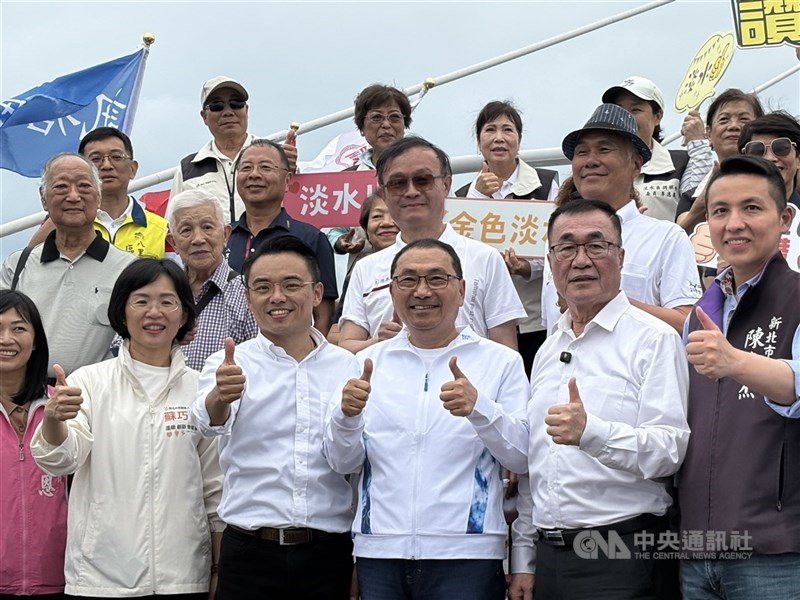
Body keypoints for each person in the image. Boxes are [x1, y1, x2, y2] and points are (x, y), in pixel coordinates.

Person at [325, 238, 529, 600]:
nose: (422, 291)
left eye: (437, 279)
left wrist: (479, 408)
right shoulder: (365, 363)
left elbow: (522, 457)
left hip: (467, 553)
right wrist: (347, 417)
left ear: (462, 290)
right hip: (380, 550)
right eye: (408, 280)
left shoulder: (501, 362)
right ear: (392, 290)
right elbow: (343, 462)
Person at [509, 199, 690, 600]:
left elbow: (669, 450)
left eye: (596, 245)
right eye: (566, 247)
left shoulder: (653, 339)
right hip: (550, 554)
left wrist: (592, 433)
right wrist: (524, 555)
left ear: (621, 256)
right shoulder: (546, 347)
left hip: (622, 550)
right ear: (551, 259)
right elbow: (535, 461)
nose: (581, 260)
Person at [30, 259, 224, 598]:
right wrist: (53, 420)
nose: (154, 312)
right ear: (121, 311)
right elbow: (62, 459)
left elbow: (214, 489)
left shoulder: (200, 390)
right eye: (141, 300)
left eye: (167, 301)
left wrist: (218, 570)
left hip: (182, 576)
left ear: (183, 314)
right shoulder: (89, 382)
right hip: (100, 577)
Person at [191, 236, 356, 600]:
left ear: (316, 293)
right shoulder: (228, 363)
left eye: (291, 285)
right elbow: (207, 421)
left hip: (328, 553)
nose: (276, 297)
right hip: (250, 551)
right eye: (263, 288)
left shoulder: (348, 367)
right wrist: (221, 394)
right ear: (249, 299)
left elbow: (353, 461)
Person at [680, 156, 800, 599]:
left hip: (775, 549)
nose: (734, 224)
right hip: (697, 545)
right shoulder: (702, 310)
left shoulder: (797, 297)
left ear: (784, 218)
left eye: (752, 208)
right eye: (719, 211)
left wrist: (736, 362)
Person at [338, 136, 526, 353]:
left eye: (423, 180)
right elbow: (347, 348)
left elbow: (506, 350)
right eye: (398, 183)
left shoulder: (485, 258)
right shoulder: (365, 268)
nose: (411, 191)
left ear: (445, 184)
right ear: (385, 192)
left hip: (468, 384)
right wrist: (376, 343)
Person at [541, 104, 702, 334]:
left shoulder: (666, 238)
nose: (591, 160)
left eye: (604, 149)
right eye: (582, 152)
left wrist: (605, 302)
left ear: (636, 164)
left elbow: (687, 324)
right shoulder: (555, 240)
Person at [1, 153, 136, 379]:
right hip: (25, 401)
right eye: (61, 187)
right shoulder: (17, 265)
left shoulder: (128, 268)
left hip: (94, 399)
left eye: (84, 186)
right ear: (44, 198)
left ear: (99, 195)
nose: (73, 196)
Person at [455, 100, 558, 375]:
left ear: (519, 140)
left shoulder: (546, 184)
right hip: (480, 320)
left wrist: (526, 268)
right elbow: (458, 252)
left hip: (533, 318)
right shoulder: (463, 195)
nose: (499, 138)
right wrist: (477, 195)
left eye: (507, 130)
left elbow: (555, 248)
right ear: (479, 142)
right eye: (490, 130)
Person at [225, 138, 338, 333]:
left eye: (266, 168)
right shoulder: (223, 238)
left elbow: (323, 315)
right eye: (246, 168)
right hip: (229, 353)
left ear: (287, 181)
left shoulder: (311, 238)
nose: (254, 175)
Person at [0, 290, 67, 599]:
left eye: (19, 328)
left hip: (61, 578)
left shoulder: (63, 406)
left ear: (36, 338)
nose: (6, 339)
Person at [170, 76, 298, 224]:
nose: (228, 112)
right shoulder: (187, 170)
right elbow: (174, 225)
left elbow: (299, 200)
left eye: (236, 103)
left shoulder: (277, 158)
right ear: (204, 116)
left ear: (247, 110)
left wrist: (291, 169)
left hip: (269, 246)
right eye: (217, 105)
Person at [27, 128, 169, 257]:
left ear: (132, 168)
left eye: (116, 157)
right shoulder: (61, 223)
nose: (106, 165)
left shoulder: (161, 228)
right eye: (95, 159)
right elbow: (29, 265)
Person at [163, 189, 257, 370]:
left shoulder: (248, 294)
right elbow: (123, 347)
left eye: (207, 227)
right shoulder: (157, 291)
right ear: (173, 242)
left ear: (225, 234)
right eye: (186, 230)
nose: (198, 239)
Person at [602, 76, 713, 221]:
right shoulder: (598, 165)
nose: (626, 117)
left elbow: (696, 208)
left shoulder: (681, 163)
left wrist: (698, 142)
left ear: (657, 116)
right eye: (619, 111)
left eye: (635, 109)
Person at [328, 84, 412, 257]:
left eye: (395, 117)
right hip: (364, 273)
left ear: (405, 125)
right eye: (376, 118)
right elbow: (334, 229)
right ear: (361, 127)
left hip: (416, 269)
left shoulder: (424, 173)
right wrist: (339, 241)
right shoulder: (349, 177)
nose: (386, 125)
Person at [676, 89, 764, 233]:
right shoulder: (692, 195)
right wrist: (702, 205)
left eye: (744, 120)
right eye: (724, 119)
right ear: (708, 134)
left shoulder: (779, 181)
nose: (733, 126)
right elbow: (678, 236)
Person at [328, 193, 399, 345]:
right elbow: (335, 336)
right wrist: (375, 340)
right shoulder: (362, 270)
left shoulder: (433, 259)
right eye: (377, 217)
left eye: (394, 214)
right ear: (366, 229)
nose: (386, 223)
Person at [737, 111, 800, 207]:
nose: (769, 158)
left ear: (798, 159)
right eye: (757, 150)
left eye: (781, 148)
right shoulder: (729, 216)